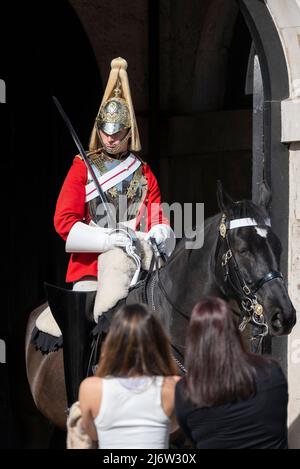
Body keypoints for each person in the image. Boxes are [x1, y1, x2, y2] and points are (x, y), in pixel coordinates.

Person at [47, 57, 176, 408]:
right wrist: (107, 239)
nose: (111, 138)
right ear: (98, 128)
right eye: (106, 131)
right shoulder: (82, 168)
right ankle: (78, 399)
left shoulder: (143, 172)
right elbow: (64, 222)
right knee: (86, 320)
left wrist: (159, 233)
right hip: (90, 266)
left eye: (117, 133)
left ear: (128, 131)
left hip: (137, 266)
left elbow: (156, 214)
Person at [175, 297, 288, 449]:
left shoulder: (185, 391)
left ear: (194, 339)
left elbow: (191, 436)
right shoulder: (272, 371)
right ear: (234, 330)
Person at [78, 303, 181, 449]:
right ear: (156, 340)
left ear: (113, 341)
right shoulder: (174, 386)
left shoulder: (89, 388)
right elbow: (172, 427)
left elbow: (93, 435)